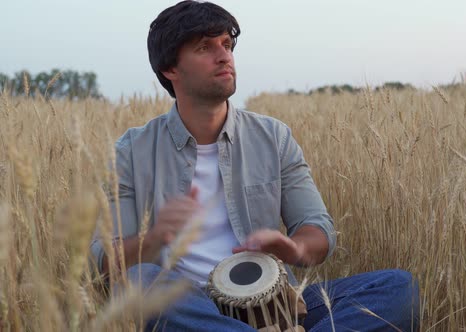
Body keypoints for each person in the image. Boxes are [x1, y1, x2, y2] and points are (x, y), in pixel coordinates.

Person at [90, 1, 419, 331]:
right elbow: (105, 262)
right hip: (188, 308)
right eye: (205, 47)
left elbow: (317, 228)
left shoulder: (272, 136)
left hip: (276, 304)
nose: (224, 56)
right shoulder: (132, 151)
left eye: (227, 45)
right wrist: (156, 239)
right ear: (170, 69)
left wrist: (293, 247)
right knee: (142, 279)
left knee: (398, 288)